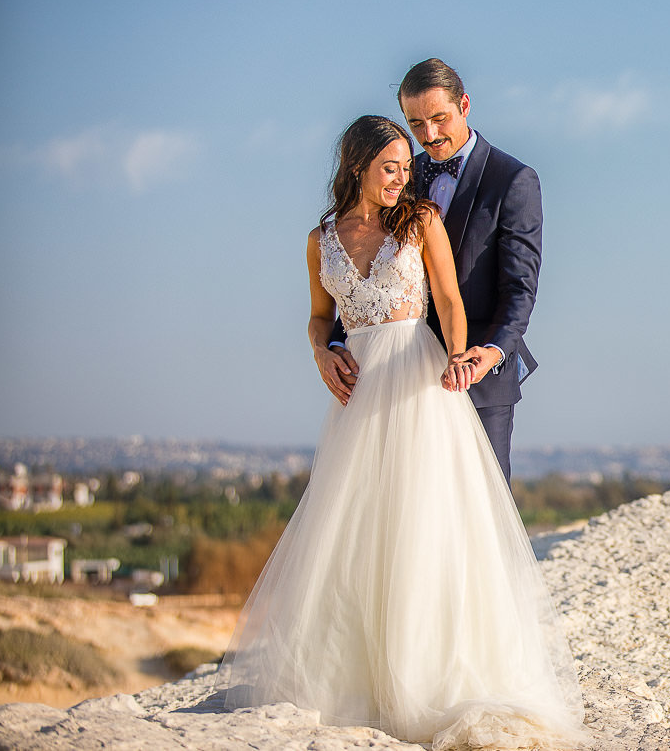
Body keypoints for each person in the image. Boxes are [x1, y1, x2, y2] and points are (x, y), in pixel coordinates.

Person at [217, 115, 584, 749]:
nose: (402, 179)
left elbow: (449, 300)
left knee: (423, 524)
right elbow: (317, 316)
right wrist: (322, 351)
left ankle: (428, 674)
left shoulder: (420, 223)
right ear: (357, 166)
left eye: (406, 168)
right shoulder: (321, 238)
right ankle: (356, 679)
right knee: (357, 529)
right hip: (357, 396)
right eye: (391, 167)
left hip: (418, 383)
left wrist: (458, 357)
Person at [316, 58, 542, 485]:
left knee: (478, 511)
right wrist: (327, 347)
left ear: (465, 105)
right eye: (415, 124)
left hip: (476, 376)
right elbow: (365, 273)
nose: (429, 136)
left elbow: (520, 289)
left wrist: (490, 353)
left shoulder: (513, 180)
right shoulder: (400, 173)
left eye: (439, 119)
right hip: (391, 382)